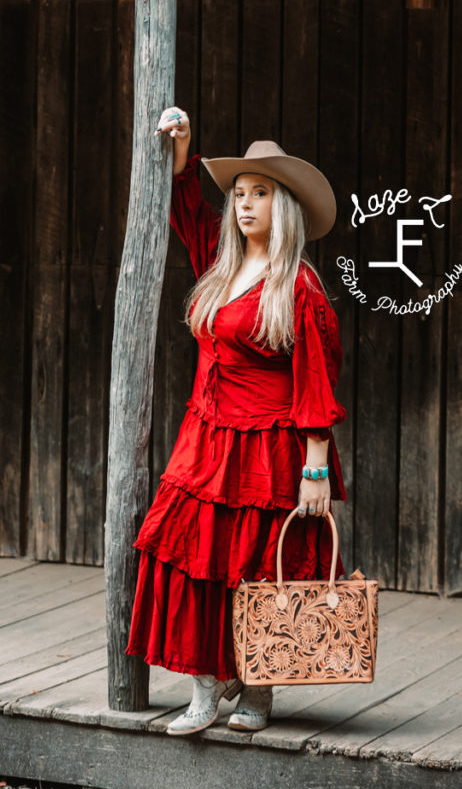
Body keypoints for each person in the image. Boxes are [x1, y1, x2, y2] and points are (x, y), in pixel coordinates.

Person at [126, 107, 347, 736]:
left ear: (286, 207)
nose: (245, 205)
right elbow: (188, 211)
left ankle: (257, 686)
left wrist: (315, 469)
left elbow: (316, 383)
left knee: (257, 566)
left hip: (270, 447)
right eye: (241, 194)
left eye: (260, 194)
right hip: (204, 440)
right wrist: (184, 148)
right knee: (190, 553)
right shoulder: (220, 266)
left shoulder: (298, 286)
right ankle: (202, 687)